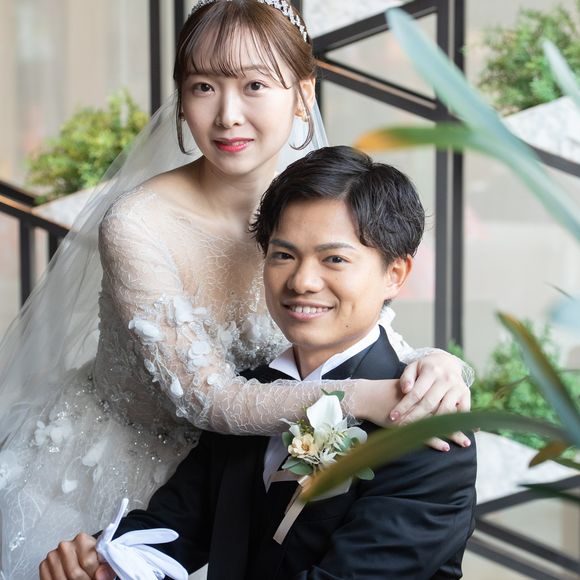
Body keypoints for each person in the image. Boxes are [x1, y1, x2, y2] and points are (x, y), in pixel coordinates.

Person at [0, 2, 471, 577]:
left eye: (254, 85)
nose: (228, 115)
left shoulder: (316, 202)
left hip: (243, 463)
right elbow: (215, 401)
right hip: (136, 463)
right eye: (204, 86)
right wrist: (357, 399)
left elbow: (360, 318)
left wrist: (436, 365)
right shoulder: (138, 224)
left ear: (302, 94)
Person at [40, 146, 476, 580]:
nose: (302, 281)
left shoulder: (427, 430)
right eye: (284, 255)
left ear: (395, 275)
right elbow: (175, 525)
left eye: (334, 259)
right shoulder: (252, 395)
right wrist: (103, 562)